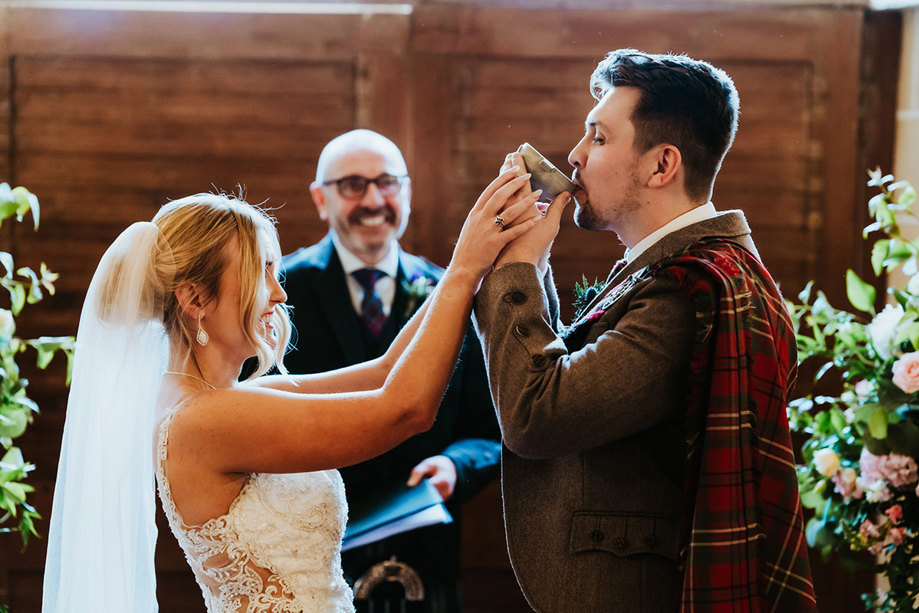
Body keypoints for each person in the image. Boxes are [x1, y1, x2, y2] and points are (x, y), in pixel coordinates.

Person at [41, 176, 550, 613]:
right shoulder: (205, 418)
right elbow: (405, 409)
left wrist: (477, 269)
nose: (279, 293)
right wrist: (463, 269)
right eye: (260, 272)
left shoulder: (225, 399)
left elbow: (386, 370)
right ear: (195, 298)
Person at [472, 49, 818, 612]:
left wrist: (513, 270)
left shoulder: (689, 289)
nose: (575, 156)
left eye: (599, 139)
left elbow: (538, 415)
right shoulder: (665, 267)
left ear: (662, 166)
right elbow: (572, 369)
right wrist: (531, 265)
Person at [282, 129, 500, 612]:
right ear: (322, 199)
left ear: (406, 191)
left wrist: (454, 467)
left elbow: (490, 428)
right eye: (353, 185)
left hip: (426, 559)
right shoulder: (279, 292)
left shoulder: (451, 293)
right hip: (313, 556)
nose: (373, 199)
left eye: (386, 182)